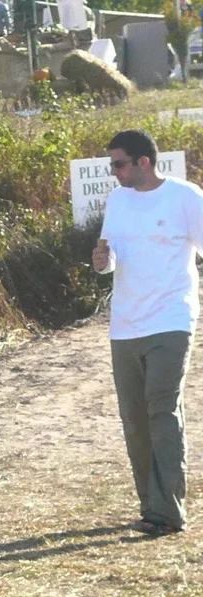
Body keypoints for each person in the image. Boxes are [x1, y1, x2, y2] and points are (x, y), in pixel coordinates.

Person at [91, 128, 203, 535]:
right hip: (124, 325)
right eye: (111, 165)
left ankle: (168, 511)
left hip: (171, 321)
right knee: (135, 419)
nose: (114, 172)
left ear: (144, 161)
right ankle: (150, 506)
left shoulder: (185, 197)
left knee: (162, 409)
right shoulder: (117, 200)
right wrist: (102, 261)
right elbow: (110, 260)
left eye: (119, 163)